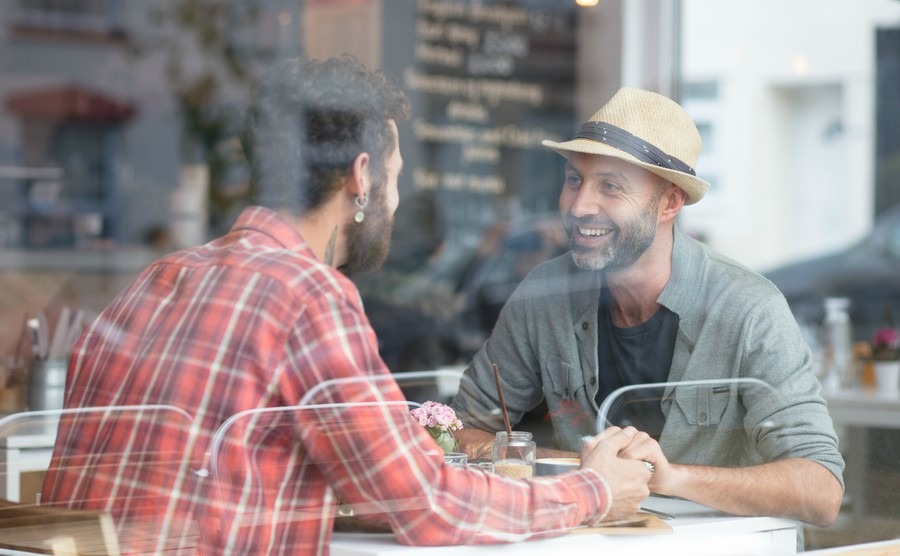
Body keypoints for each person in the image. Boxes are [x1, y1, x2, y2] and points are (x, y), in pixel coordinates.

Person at [39, 56, 651, 555]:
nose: (397, 194)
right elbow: (427, 506)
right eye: (394, 174)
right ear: (361, 177)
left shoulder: (157, 277)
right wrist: (592, 490)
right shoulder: (308, 294)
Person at [451, 87, 845, 528]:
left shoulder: (750, 308)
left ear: (670, 202)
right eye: (574, 179)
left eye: (611, 186)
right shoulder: (543, 294)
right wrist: (572, 466)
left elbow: (821, 489)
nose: (580, 206)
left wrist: (671, 477)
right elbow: (453, 431)